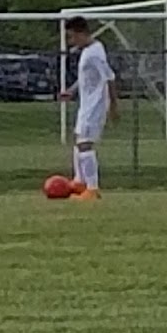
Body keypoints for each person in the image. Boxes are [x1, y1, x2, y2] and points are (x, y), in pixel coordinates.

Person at [60, 16, 118, 200]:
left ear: (82, 33)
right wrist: (71, 91)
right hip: (86, 105)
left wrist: (114, 105)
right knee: (78, 139)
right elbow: (86, 76)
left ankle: (92, 189)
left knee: (85, 143)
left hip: (95, 106)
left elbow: (109, 77)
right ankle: (80, 181)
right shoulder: (88, 51)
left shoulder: (95, 53)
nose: (70, 41)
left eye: (72, 37)